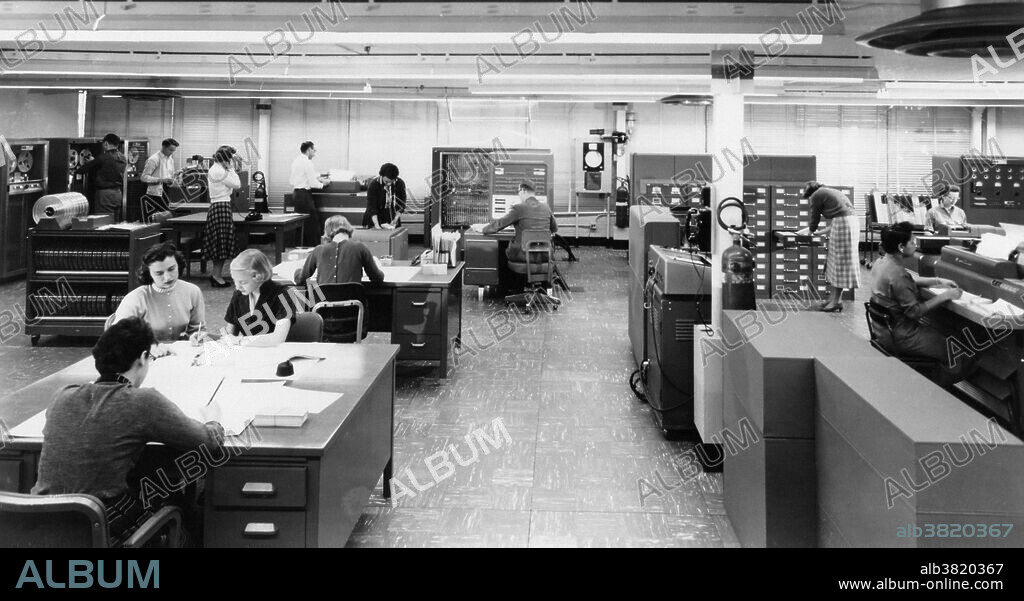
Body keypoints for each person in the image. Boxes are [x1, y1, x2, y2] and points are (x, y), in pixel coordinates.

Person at [31, 317, 225, 547]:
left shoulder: (63, 395)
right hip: (100, 525)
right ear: (143, 358)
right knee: (188, 520)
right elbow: (206, 442)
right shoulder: (142, 401)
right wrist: (213, 420)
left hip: (42, 523)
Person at [869, 222, 973, 386]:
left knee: (946, 335)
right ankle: (934, 388)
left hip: (882, 331)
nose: (915, 244)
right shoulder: (898, 274)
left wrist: (937, 280)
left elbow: (907, 282)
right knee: (954, 348)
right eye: (912, 241)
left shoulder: (882, 262)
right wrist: (945, 295)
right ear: (901, 247)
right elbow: (914, 312)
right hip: (902, 336)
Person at [114, 242, 206, 345]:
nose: (167, 277)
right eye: (159, 273)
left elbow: (198, 329)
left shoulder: (193, 291)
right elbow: (117, 334)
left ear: (178, 265)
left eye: (171, 269)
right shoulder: (136, 298)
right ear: (148, 273)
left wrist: (196, 336)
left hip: (180, 354)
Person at [795, 182, 861, 312]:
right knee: (837, 263)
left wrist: (810, 231)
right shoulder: (830, 191)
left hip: (843, 225)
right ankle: (834, 299)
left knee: (839, 264)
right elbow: (839, 219)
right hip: (850, 223)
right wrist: (817, 233)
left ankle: (835, 301)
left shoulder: (816, 195)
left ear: (810, 193)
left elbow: (815, 217)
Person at [221, 249, 295, 347]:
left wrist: (241, 340)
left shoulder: (283, 294)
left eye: (242, 282)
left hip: (276, 355)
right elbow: (230, 335)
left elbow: (278, 338)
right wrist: (208, 337)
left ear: (258, 276)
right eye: (235, 281)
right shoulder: (238, 295)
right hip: (248, 355)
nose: (237, 287)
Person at [470, 180, 558, 262]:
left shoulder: (519, 208)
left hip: (523, 255)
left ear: (523, 191)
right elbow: (554, 228)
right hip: (545, 255)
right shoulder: (546, 207)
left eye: (518, 192)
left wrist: (482, 229)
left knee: (502, 251)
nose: (518, 195)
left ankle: (508, 278)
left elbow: (499, 224)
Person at [294, 216, 385, 286]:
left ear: (328, 232)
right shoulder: (361, 248)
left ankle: (287, 310)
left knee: (293, 296)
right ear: (348, 229)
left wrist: (298, 269)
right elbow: (377, 278)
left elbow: (300, 280)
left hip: (324, 308)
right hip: (354, 308)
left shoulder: (318, 250)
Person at [204, 145, 242, 288]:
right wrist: (231, 168)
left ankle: (217, 274)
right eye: (230, 159)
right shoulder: (218, 171)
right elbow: (237, 184)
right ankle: (216, 276)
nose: (231, 162)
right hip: (221, 206)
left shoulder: (218, 169)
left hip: (221, 206)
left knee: (222, 243)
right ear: (225, 159)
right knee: (221, 244)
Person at [290, 141, 331, 247]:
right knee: (313, 223)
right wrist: (324, 183)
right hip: (304, 195)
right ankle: (314, 247)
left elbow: (302, 176)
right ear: (308, 150)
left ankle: (299, 246)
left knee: (300, 222)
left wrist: (318, 177)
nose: (314, 153)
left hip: (296, 194)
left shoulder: (296, 161)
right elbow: (313, 183)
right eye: (314, 150)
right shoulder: (307, 162)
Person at [78, 133, 127, 221]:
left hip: (105, 195)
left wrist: (89, 163)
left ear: (106, 144)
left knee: (104, 222)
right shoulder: (123, 158)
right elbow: (109, 166)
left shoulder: (103, 157)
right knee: (115, 222)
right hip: (117, 194)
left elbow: (82, 170)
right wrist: (95, 161)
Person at [139, 138, 179, 214]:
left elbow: (170, 175)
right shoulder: (154, 159)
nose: (172, 152)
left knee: (166, 217)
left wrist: (174, 177)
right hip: (155, 194)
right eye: (170, 150)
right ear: (163, 147)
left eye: (173, 151)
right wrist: (161, 180)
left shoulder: (170, 160)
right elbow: (143, 177)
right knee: (158, 219)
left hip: (167, 193)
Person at [363, 163, 406, 230]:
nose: (389, 184)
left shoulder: (399, 184)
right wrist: (376, 224)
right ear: (381, 176)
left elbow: (401, 204)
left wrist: (395, 219)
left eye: (391, 181)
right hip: (375, 216)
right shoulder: (374, 185)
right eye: (386, 181)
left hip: (391, 215)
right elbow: (372, 206)